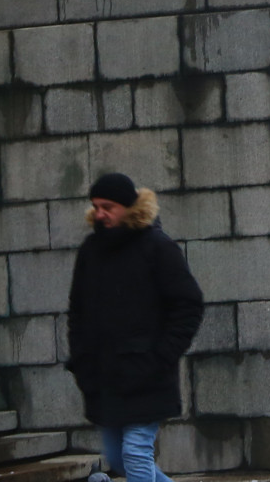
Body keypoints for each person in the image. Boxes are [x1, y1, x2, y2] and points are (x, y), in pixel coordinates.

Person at [67, 173, 205, 482]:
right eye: (95, 206)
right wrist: (81, 359)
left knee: (134, 454)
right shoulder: (91, 251)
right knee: (118, 459)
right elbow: (77, 311)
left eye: (108, 206)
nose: (100, 213)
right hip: (103, 378)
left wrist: (160, 358)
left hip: (146, 375)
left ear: (129, 207)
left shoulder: (158, 247)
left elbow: (189, 305)